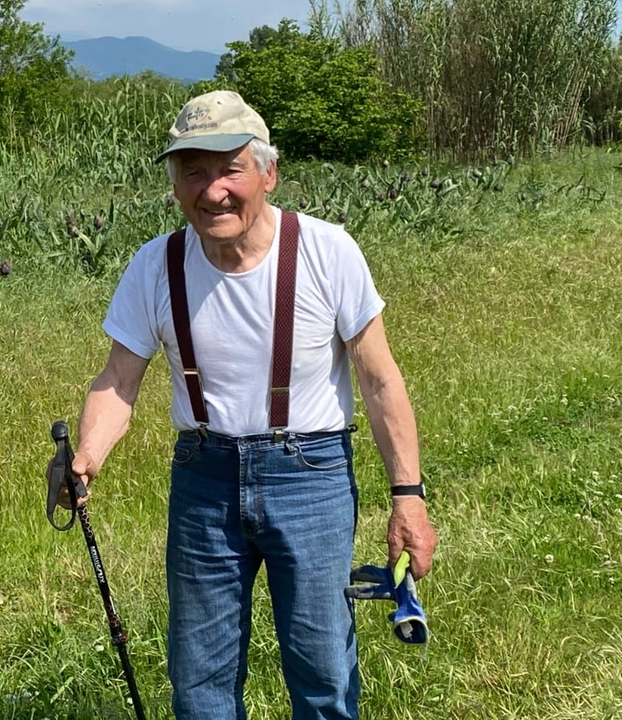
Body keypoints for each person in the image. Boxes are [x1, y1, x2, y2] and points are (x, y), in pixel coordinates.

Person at [60, 90, 438, 719]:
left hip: (310, 475)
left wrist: (409, 496)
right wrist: (87, 456)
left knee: (323, 674)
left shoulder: (327, 251)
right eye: (193, 172)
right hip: (204, 479)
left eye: (229, 168)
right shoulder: (155, 266)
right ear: (175, 183)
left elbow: (378, 379)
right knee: (199, 682)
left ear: (268, 172)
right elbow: (119, 380)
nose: (213, 192)